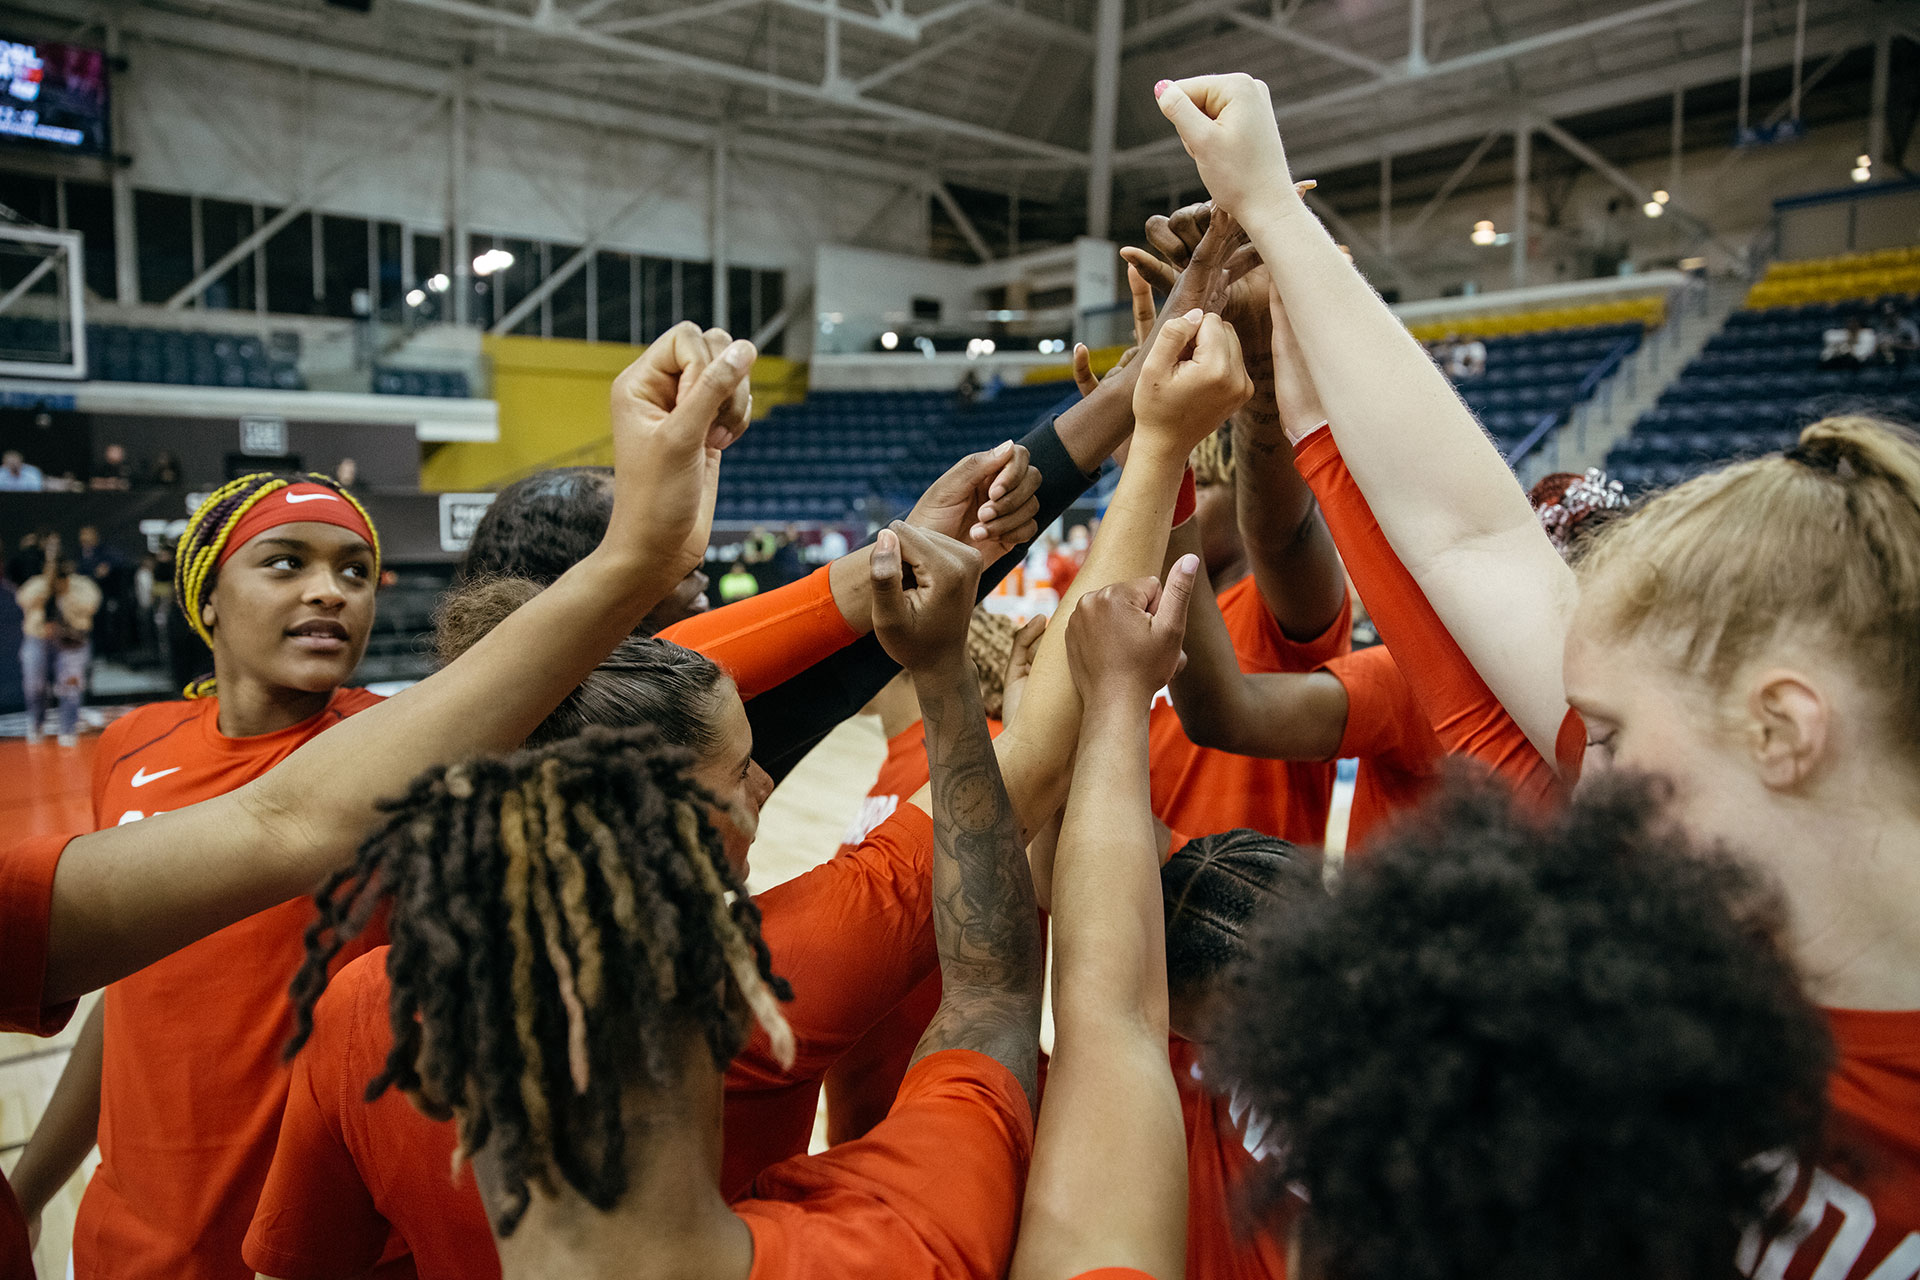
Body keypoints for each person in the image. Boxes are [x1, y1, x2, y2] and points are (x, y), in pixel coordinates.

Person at [1155, 70, 1920, 1278]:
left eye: (1604, 733)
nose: (1575, 769)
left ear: (1784, 727)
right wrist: (1277, 225)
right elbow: (1477, 542)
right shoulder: (1691, 861)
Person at [0, 318, 759, 1280]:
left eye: (355, 571)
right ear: (207, 600)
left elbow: (599, 682)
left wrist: (706, 567)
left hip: (326, 1250)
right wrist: (29, 1192)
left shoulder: (413, 744)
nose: (332, 593)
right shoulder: (131, 744)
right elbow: (132, 989)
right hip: (127, 1243)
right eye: (287, 563)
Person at [15, 536, 101, 747]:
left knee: (71, 685)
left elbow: (91, 605)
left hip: (72, 642)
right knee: (34, 686)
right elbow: (23, 600)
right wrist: (47, 583)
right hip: (38, 639)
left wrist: (65, 592)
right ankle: (36, 722)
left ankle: (68, 727)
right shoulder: (37, 584)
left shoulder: (81, 585)